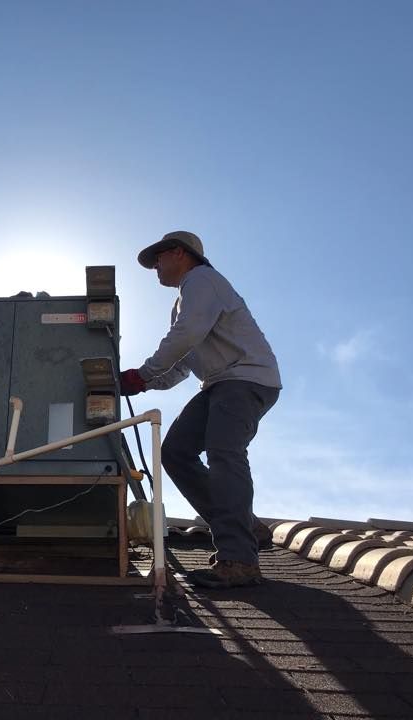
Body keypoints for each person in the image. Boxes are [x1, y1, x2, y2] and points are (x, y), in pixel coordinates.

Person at [120, 231, 282, 588]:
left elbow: (186, 335)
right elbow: (180, 364)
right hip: (220, 383)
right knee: (175, 452)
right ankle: (245, 526)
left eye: (159, 258)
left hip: (245, 380)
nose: (155, 268)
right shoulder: (184, 300)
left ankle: (239, 558)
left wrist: (140, 374)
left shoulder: (202, 281)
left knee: (225, 453)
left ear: (179, 253)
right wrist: (141, 382)